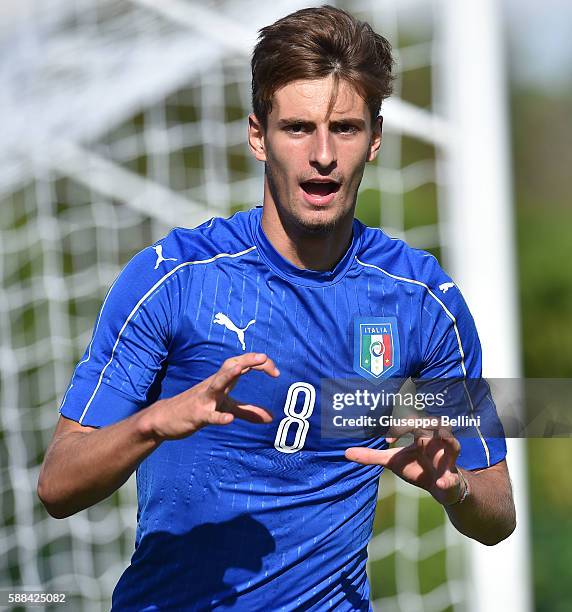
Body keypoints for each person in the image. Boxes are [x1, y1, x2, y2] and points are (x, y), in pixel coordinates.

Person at [37, 5, 516, 610]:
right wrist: (155, 422)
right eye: (297, 128)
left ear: (375, 139)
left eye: (344, 128)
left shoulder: (420, 300)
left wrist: (456, 489)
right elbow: (57, 485)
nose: (322, 154)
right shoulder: (174, 278)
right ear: (258, 136)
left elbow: (498, 512)